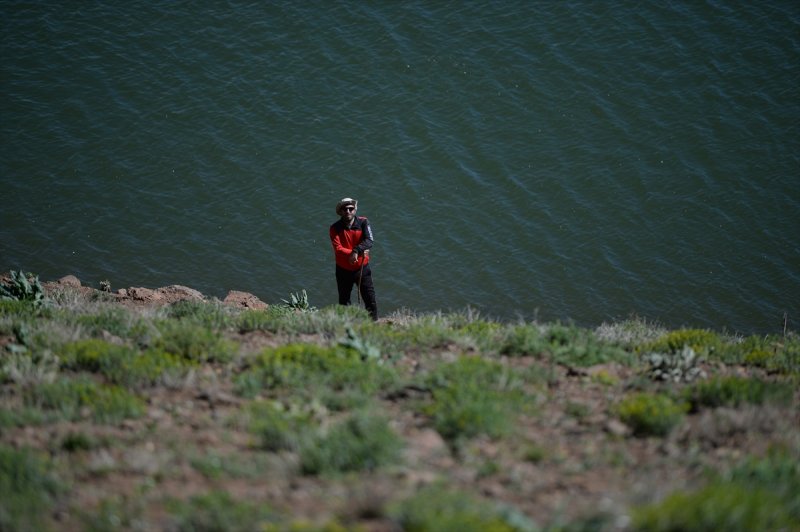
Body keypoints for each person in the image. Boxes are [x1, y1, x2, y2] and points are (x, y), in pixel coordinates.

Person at [329, 197, 378, 320]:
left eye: (351, 208)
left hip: (362, 268)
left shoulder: (363, 222)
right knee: (344, 302)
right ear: (340, 211)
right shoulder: (334, 228)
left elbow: (369, 240)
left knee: (370, 299)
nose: (348, 211)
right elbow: (338, 248)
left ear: (355, 210)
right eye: (345, 209)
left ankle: (373, 324)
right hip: (343, 270)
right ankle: (346, 326)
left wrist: (356, 251)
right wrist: (355, 252)